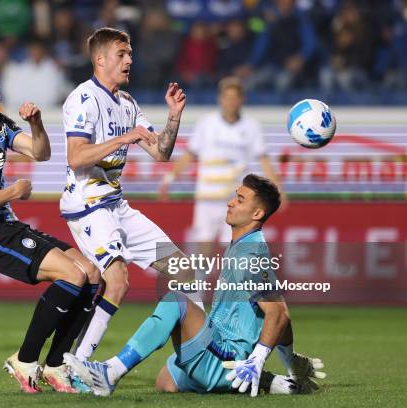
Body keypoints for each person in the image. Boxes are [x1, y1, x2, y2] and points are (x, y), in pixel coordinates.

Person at [64, 174, 327, 397]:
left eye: (240, 199)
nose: (230, 202)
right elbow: (282, 315)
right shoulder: (243, 246)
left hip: (227, 356)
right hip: (222, 354)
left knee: (176, 300)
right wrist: (291, 362)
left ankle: (112, 371)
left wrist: (256, 359)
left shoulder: (251, 255)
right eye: (235, 195)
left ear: (257, 213)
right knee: (166, 380)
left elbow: (278, 313)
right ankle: (271, 383)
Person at [0, 62, 100, 394]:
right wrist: (14, 191)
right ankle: (25, 360)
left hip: (8, 225)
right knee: (72, 275)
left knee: (92, 273)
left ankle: (56, 366)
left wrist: (37, 123)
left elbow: (40, 152)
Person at [60, 27, 199, 361]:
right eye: (122, 54)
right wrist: (121, 140)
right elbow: (76, 156)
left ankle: (195, 355)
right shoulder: (82, 98)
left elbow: (161, 153)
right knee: (118, 280)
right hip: (88, 204)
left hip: (116, 205)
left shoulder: (127, 103)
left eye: (130, 54)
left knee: (184, 269)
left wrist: (174, 116)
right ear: (100, 59)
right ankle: (78, 364)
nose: (129, 60)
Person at [159, 76, 286, 256]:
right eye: (227, 97)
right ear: (220, 99)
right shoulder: (207, 124)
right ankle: (199, 283)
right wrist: (169, 179)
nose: (231, 102)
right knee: (203, 248)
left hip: (237, 200)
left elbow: (263, 159)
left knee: (236, 248)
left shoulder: (251, 127)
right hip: (208, 197)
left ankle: (231, 283)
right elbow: (189, 155)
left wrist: (278, 189)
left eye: (235, 98)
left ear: (242, 99)